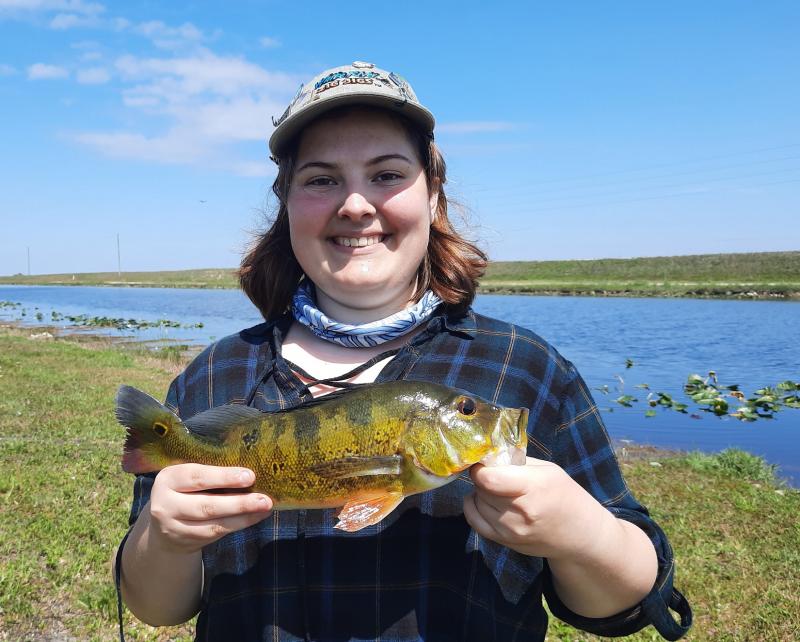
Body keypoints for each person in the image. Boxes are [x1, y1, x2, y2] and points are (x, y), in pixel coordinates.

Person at [114, 61, 692, 641]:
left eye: (387, 174)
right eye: (320, 179)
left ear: (433, 193)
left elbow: (622, 603)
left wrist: (583, 536)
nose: (356, 205)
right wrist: (163, 539)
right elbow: (157, 607)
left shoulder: (524, 369)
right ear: (285, 201)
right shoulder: (214, 375)